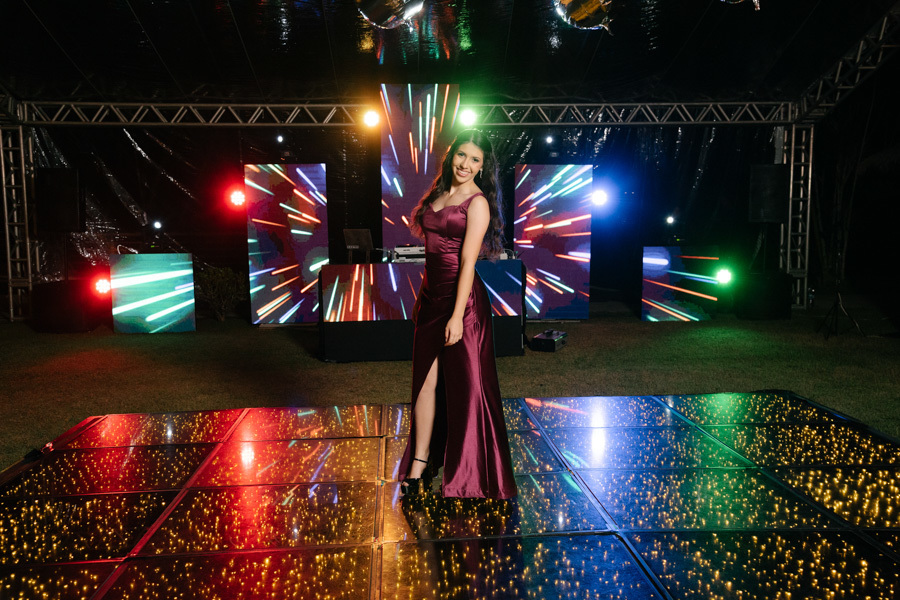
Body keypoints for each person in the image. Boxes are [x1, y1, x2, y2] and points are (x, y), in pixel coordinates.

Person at [398, 129, 517, 499]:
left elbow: (467, 261)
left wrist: (455, 315)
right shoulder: (439, 194)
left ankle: (470, 473)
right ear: (452, 156)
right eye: (462, 155)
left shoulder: (477, 203)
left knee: (469, 388)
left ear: (483, 167)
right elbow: (433, 253)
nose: (466, 164)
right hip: (433, 297)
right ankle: (419, 463)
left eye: (475, 160)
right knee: (424, 383)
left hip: (462, 304)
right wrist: (424, 296)